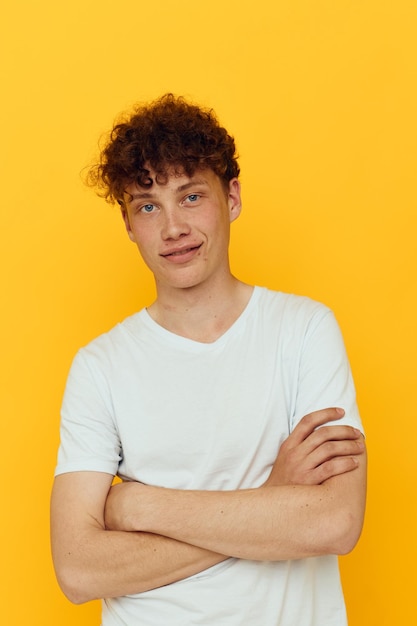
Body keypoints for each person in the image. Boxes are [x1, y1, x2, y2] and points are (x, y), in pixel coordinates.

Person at [50, 93, 367, 626]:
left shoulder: (304, 331)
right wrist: (270, 501)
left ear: (233, 198)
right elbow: (79, 570)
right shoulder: (100, 366)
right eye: (147, 206)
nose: (172, 228)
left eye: (191, 197)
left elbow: (333, 522)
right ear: (129, 225)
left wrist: (140, 508)